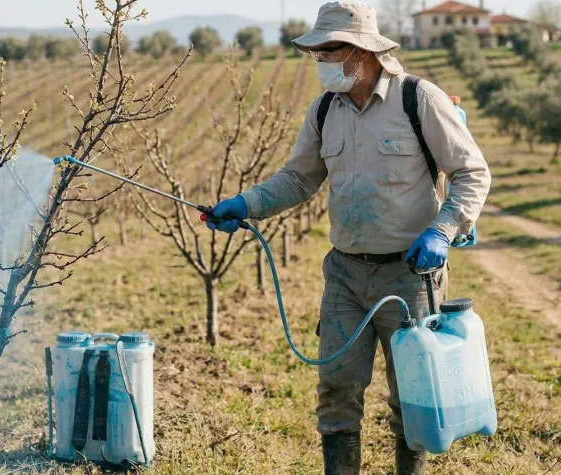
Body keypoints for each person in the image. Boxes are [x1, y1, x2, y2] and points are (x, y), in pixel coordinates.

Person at [204, 2, 491, 474]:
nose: (321, 61)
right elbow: (298, 179)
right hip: (345, 275)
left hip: (410, 274)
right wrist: (246, 203)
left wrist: (442, 229)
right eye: (316, 52)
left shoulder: (417, 99)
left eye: (329, 50)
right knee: (336, 393)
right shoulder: (324, 110)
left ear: (362, 51)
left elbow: (471, 172)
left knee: (414, 397)